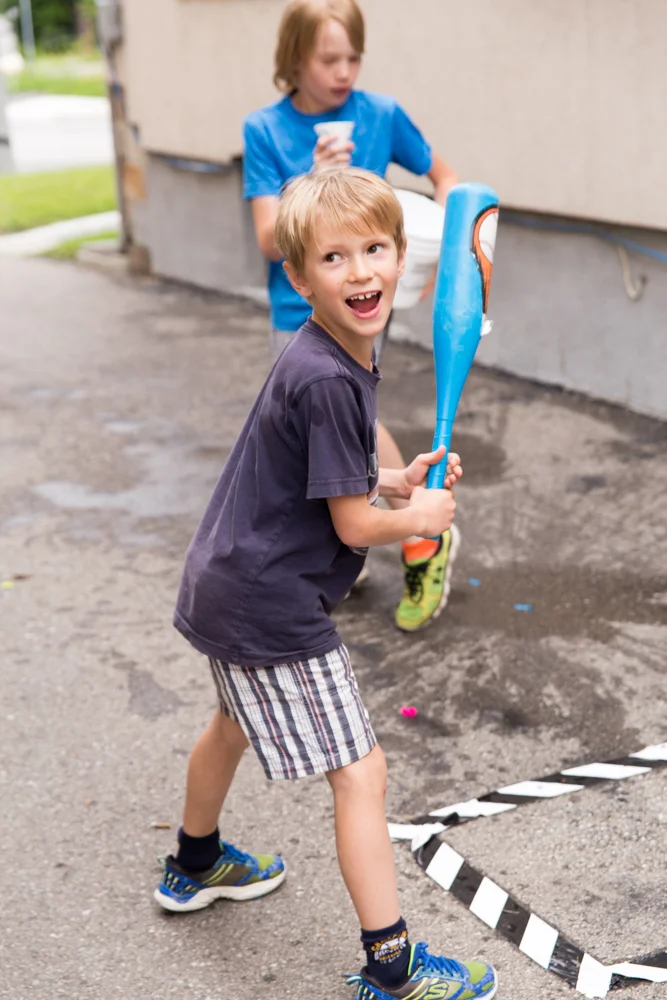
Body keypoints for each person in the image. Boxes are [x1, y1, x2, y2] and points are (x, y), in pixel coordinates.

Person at [156, 168, 497, 1000]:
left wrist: (394, 481)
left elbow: (329, 478)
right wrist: (419, 518)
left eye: (374, 249)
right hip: (271, 604)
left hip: (229, 583)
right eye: (333, 258)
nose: (360, 271)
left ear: (401, 257)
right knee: (360, 773)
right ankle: (394, 968)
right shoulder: (327, 377)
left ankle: (194, 865)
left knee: (232, 725)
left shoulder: (325, 356)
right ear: (299, 277)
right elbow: (350, 528)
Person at [243, 0, 461, 633]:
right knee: (330, 422)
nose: (343, 72)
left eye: (353, 58)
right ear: (294, 59)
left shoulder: (380, 114)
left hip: (360, 307)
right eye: (327, 59)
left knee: (346, 417)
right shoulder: (265, 129)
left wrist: (439, 259)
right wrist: (313, 181)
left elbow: (446, 177)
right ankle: (379, 531)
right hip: (298, 308)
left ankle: (416, 535)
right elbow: (268, 240)